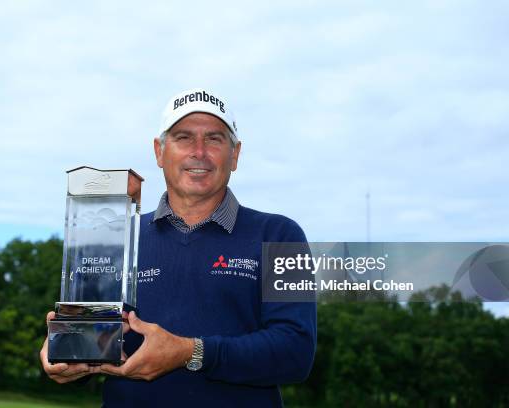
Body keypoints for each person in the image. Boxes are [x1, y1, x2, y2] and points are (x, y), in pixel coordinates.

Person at [40, 88, 317, 407]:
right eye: (183, 137)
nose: (199, 151)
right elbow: (93, 340)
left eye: (214, 139)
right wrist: (66, 353)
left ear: (235, 154)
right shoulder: (114, 236)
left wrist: (191, 351)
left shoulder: (282, 235)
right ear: (159, 151)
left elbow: (295, 352)